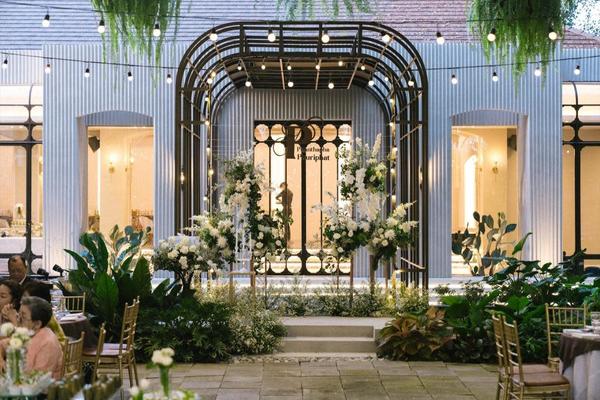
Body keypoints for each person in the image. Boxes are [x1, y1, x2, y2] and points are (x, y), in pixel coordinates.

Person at [0, 297, 63, 379]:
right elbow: (1, 345)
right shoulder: (27, 333)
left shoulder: (48, 343)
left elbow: (38, 378)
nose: (18, 319)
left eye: (23, 317)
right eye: (18, 315)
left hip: (42, 386)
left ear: (37, 324)